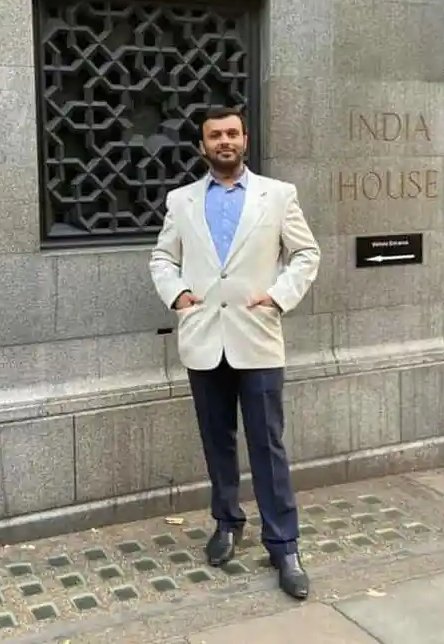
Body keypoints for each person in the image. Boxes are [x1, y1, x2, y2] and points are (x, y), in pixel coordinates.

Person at [149, 106, 320, 600]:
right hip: (204, 338)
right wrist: (178, 295)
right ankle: (227, 522)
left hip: (257, 337)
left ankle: (284, 545)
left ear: (245, 139)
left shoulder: (278, 195)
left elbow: (305, 253)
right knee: (217, 441)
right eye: (214, 135)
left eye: (231, 133)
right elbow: (162, 257)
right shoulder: (181, 200)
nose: (224, 141)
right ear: (202, 146)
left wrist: (279, 296)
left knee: (268, 445)